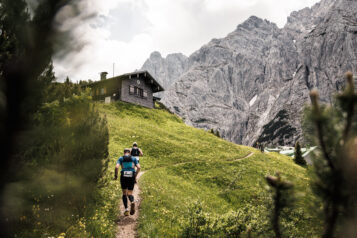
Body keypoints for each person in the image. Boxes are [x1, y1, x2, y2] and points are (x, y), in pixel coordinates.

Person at [114, 148, 141, 216]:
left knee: (124, 194)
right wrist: (135, 175)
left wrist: (116, 176)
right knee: (129, 193)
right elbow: (138, 167)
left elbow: (116, 167)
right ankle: (132, 201)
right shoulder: (133, 158)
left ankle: (126, 210)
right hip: (131, 176)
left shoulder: (121, 158)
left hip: (123, 176)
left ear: (124, 152)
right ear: (130, 152)